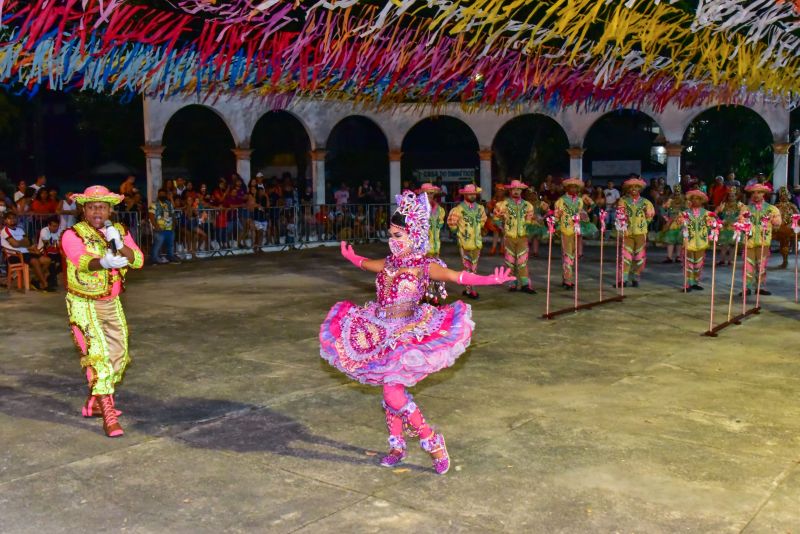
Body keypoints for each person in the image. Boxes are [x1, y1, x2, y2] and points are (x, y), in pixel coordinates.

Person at [320, 190, 514, 475]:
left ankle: (431, 440)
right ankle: (397, 446)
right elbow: (365, 264)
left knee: (392, 392)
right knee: (390, 390)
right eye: (390, 235)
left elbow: (456, 276)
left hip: (408, 331)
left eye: (398, 236)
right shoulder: (387, 264)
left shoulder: (424, 267)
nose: (392, 241)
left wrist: (489, 279)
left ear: (413, 237)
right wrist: (353, 257)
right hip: (377, 330)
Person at [61, 185, 144, 437]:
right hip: (83, 303)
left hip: (112, 302)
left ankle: (94, 402)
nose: (98, 210)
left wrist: (120, 245)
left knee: (119, 352)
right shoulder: (72, 234)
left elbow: (138, 260)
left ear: (109, 209)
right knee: (98, 355)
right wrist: (104, 262)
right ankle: (107, 412)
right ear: (84, 210)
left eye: (102, 206)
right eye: (92, 206)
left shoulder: (117, 230)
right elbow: (81, 261)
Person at [493, 179, 537, 293]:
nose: (516, 191)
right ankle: (512, 283)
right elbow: (496, 218)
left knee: (523, 261)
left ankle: (525, 284)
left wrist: (529, 229)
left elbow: (530, 221)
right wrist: (502, 228)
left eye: (518, 189)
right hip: (509, 237)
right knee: (509, 261)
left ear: (521, 191)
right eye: (514, 189)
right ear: (510, 190)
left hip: (522, 237)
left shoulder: (528, 206)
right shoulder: (503, 204)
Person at [739, 183, 781, 295]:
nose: (756, 195)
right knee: (748, 266)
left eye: (759, 192)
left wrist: (774, 221)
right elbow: (741, 222)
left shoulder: (772, 209)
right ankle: (746, 288)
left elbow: (777, 224)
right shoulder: (745, 208)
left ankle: (760, 287)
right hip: (749, 241)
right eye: (753, 192)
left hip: (764, 242)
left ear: (764, 194)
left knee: (761, 266)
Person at [447, 184, 487, 299]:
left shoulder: (480, 208)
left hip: (477, 243)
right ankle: (471, 289)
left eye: (474, 194)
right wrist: (459, 234)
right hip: (464, 243)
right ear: (465, 195)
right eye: (470, 194)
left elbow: (483, 221)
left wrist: (478, 230)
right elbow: (452, 224)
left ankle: (469, 289)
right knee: (468, 266)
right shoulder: (458, 209)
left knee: (474, 267)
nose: (472, 196)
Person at [554, 178, 594, 290]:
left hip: (576, 230)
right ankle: (568, 280)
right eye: (571, 187)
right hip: (566, 230)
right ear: (567, 188)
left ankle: (566, 278)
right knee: (568, 255)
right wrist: (554, 227)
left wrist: (584, 216)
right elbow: (557, 216)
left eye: (576, 187)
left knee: (573, 255)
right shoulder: (561, 201)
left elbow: (582, 212)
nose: (573, 189)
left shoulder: (580, 201)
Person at [617, 177, 655, 287]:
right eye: (631, 187)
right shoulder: (623, 200)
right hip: (627, 232)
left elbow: (650, 215)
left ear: (640, 189)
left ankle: (635, 276)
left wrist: (643, 223)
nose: (634, 189)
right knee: (626, 256)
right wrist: (623, 226)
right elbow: (620, 215)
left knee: (639, 258)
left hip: (640, 232)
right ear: (628, 189)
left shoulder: (646, 202)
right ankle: (623, 279)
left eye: (636, 187)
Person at [1, 210, 53, 291]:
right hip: (14, 255)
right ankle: (44, 284)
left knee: (47, 260)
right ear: (5, 220)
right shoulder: (5, 231)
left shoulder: (20, 230)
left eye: (14, 218)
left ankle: (35, 280)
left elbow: (28, 242)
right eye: (9, 218)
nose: (12, 220)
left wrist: (20, 243)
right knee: (35, 261)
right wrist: (22, 242)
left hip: (26, 253)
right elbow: (15, 244)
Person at [681, 190, 717, 291]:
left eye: (698, 199)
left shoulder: (707, 213)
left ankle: (695, 282)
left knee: (698, 263)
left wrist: (715, 228)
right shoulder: (685, 213)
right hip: (688, 241)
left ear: (702, 201)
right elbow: (678, 224)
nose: (695, 201)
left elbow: (714, 224)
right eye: (693, 199)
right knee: (688, 263)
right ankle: (687, 283)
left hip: (701, 241)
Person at [148, 188, 181, 264]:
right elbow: (151, 215)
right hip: (159, 228)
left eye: (163, 194)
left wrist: (174, 225)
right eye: (161, 194)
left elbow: (172, 214)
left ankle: (171, 257)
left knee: (171, 244)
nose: (162, 195)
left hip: (169, 228)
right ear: (158, 195)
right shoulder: (154, 204)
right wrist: (156, 226)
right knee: (158, 244)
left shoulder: (169, 204)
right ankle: (154, 259)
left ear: (166, 195)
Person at [771, 187, 800, 269]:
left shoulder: (792, 205)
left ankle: (787, 259)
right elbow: (771, 216)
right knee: (783, 245)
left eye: (786, 195)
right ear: (779, 197)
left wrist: (794, 222)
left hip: (790, 227)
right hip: (780, 228)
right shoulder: (776, 206)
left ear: (789, 196)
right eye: (782, 195)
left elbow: (797, 214)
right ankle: (785, 260)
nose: (784, 197)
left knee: (787, 243)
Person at [715, 187, 744, 266]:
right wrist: (719, 220)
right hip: (725, 227)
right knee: (724, 244)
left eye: (733, 196)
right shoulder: (724, 204)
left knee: (733, 245)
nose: (731, 197)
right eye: (730, 196)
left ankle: (731, 260)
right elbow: (715, 213)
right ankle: (722, 259)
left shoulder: (740, 205)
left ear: (736, 196)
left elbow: (744, 214)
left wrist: (737, 218)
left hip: (734, 227)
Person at [659, 185, 686, 263]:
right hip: (671, 223)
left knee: (679, 240)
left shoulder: (684, 200)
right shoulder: (670, 200)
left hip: (681, 222)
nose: (677, 193)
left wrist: (685, 218)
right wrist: (666, 218)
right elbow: (662, 209)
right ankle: (669, 257)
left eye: (678, 191)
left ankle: (678, 256)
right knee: (670, 240)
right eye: (676, 191)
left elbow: (688, 210)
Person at [419, 183, 445, 258]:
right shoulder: (417, 208)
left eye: (431, 193)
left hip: (436, 246)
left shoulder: (440, 210)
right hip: (423, 248)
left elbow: (440, 224)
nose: (430, 195)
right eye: (427, 193)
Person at [37, 216, 63, 289]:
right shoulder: (44, 231)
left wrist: (56, 244)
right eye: (54, 226)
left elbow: (59, 244)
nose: (56, 228)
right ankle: (50, 281)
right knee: (52, 260)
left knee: (65, 261)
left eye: (57, 226)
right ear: (49, 225)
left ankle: (50, 278)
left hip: (54, 251)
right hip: (43, 252)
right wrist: (56, 243)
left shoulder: (59, 230)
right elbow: (47, 245)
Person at [485, 183, 505, 256]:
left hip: (504, 219)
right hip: (496, 219)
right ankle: (493, 248)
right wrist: (490, 208)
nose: (500, 192)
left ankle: (502, 248)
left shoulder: (505, 200)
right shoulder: (494, 200)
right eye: (498, 191)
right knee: (496, 233)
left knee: (503, 233)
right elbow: (490, 209)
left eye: (501, 191)